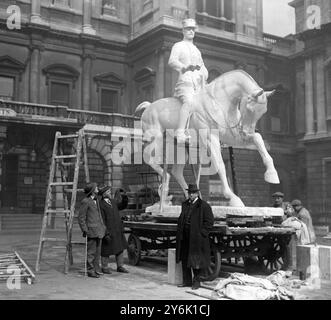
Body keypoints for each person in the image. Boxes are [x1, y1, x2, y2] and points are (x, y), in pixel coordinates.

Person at [168, 18, 208, 143]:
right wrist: (184, 67)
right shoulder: (178, 46)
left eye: (193, 29)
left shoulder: (197, 50)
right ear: (183, 31)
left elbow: (203, 68)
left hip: (198, 86)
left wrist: (204, 74)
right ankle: (180, 132)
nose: (191, 31)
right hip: (185, 84)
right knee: (189, 103)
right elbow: (172, 61)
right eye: (188, 29)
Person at [176, 184, 214, 290]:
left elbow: (209, 222)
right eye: (189, 193)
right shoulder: (185, 204)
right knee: (184, 258)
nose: (190, 195)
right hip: (185, 236)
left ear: (197, 193)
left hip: (197, 238)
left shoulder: (203, 205)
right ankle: (186, 281)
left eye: (193, 193)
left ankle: (197, 282)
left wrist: (202, 234)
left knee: (196, 260)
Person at [98, 185, 129, 274]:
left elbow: (122, 206)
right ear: (104, 194)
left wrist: (124, 197)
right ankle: (105, 267)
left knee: (119, 248)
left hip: (117, 229)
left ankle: (120, 266)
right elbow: (102, 220)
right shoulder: (101, 204)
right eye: (108, 192)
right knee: (106, 250)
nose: (110, 193)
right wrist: (106, 233)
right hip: (109, 230)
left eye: (109, 191)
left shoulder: (113, 201)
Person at [78, 182, 106, 278]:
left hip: (99, 230)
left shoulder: (96, 200)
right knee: (91, 252)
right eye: (96, 187)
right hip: (91, 230)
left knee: (98, 252)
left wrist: (103, 227)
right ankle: (90, 270)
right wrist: (85, 230)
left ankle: (96, 268)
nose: (97, 188)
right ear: (92, 190)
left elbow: (101, 193)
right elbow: (81, 218)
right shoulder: (85, 201)